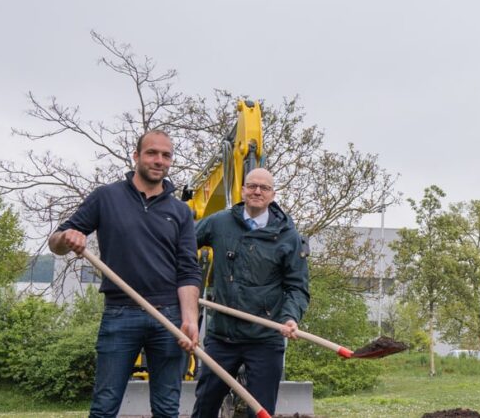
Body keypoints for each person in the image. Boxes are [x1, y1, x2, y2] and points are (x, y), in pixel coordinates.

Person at [49, 130, 201, 418]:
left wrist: (190, 319)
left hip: (168, 315)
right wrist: (68, 236)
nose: (159, 160)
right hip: (120, 314)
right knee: (104, 406)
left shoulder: (181, 212)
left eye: (166, 155)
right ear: (136, 156)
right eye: (152, 153)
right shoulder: (106, 197)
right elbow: (56, 242)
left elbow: (189, 270)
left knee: (168, 409)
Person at [192, 167, 310, 418]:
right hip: (223, 336)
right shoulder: (219, 222)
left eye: (264, 187)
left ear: (272, 194)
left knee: (261, 412)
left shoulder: (289, 237)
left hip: (265, 337)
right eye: (252, 186)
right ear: (243, 190)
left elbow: (296, 287)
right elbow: (182, 244)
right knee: (204, 406)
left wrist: (290, 317)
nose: (257, 191)